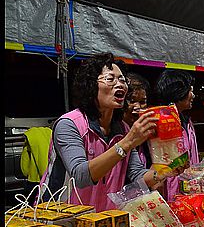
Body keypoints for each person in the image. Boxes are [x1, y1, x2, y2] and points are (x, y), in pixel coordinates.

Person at [38, 52, 165, 211]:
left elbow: (136, 174)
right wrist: (128, 142)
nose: (119, 84)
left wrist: (164, 171)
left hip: (102, 217)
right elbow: (81, 176)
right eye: (110, 79)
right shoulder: (69, 124)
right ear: (90, 85)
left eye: (122, 80)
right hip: (62, 216)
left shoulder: (123, 129)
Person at [153, 69, 200, 202]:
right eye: (190, 90)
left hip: (189, 193)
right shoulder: (161, 122)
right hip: (171, 196)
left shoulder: (186, 120)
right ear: (178, 92)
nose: (194, 95)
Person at [122, 72, 152, 168]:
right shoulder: (116, 133)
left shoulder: (148, 132)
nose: (137, 107)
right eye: (132, 101)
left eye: (142, 102)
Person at [20, 126, 52, 203]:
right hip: (49, 178)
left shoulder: (29, 143)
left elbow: (24, 168)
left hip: (33, 180)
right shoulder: (50, 136)